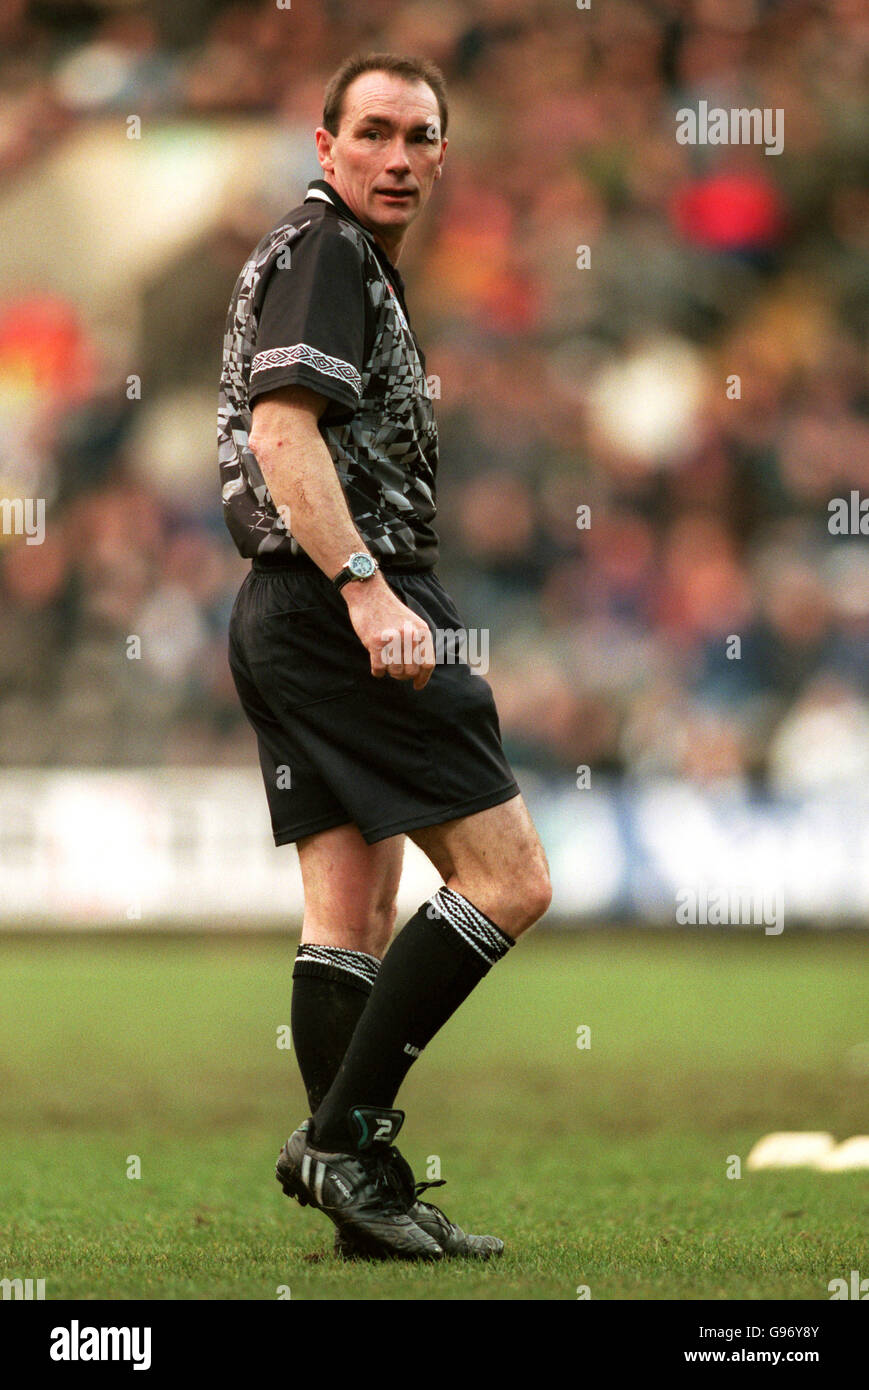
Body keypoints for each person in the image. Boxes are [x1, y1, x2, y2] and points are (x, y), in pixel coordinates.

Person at [219, 51, 552, 1262]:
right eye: (371, 134)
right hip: (344, 605)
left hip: (276, 610)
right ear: (325, 146)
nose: (397, 159)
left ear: (443, 154)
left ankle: (355, 1194)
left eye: (419, 137)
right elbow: (281, 426)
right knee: (509, 878)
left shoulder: (327, 256)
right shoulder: (327, 254)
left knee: (347, 912)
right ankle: (344, 1141)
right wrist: (365, 591)